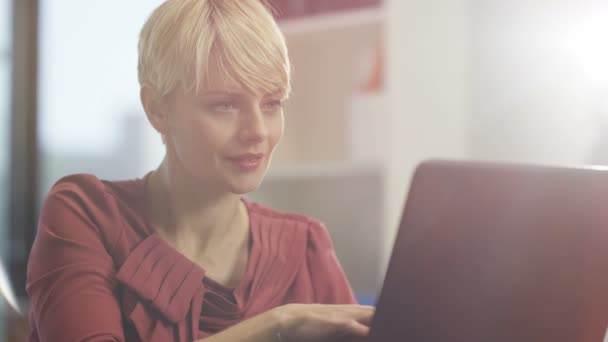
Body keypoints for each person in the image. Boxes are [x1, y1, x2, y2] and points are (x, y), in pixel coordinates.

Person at [25, 0, 375, 341]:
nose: (257, 130)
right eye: (225, 105)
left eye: (271, 104)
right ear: (158, 109)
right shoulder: (86, 214)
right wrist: (276, 325)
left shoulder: (306, 247)